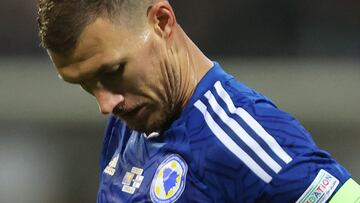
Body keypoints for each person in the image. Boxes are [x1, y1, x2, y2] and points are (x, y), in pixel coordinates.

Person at [37, 0, 360, 202]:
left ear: (162, 22)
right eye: (83, 83)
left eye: (112, 71)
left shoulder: (241, 140)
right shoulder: (134, 118)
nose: (105, 103)